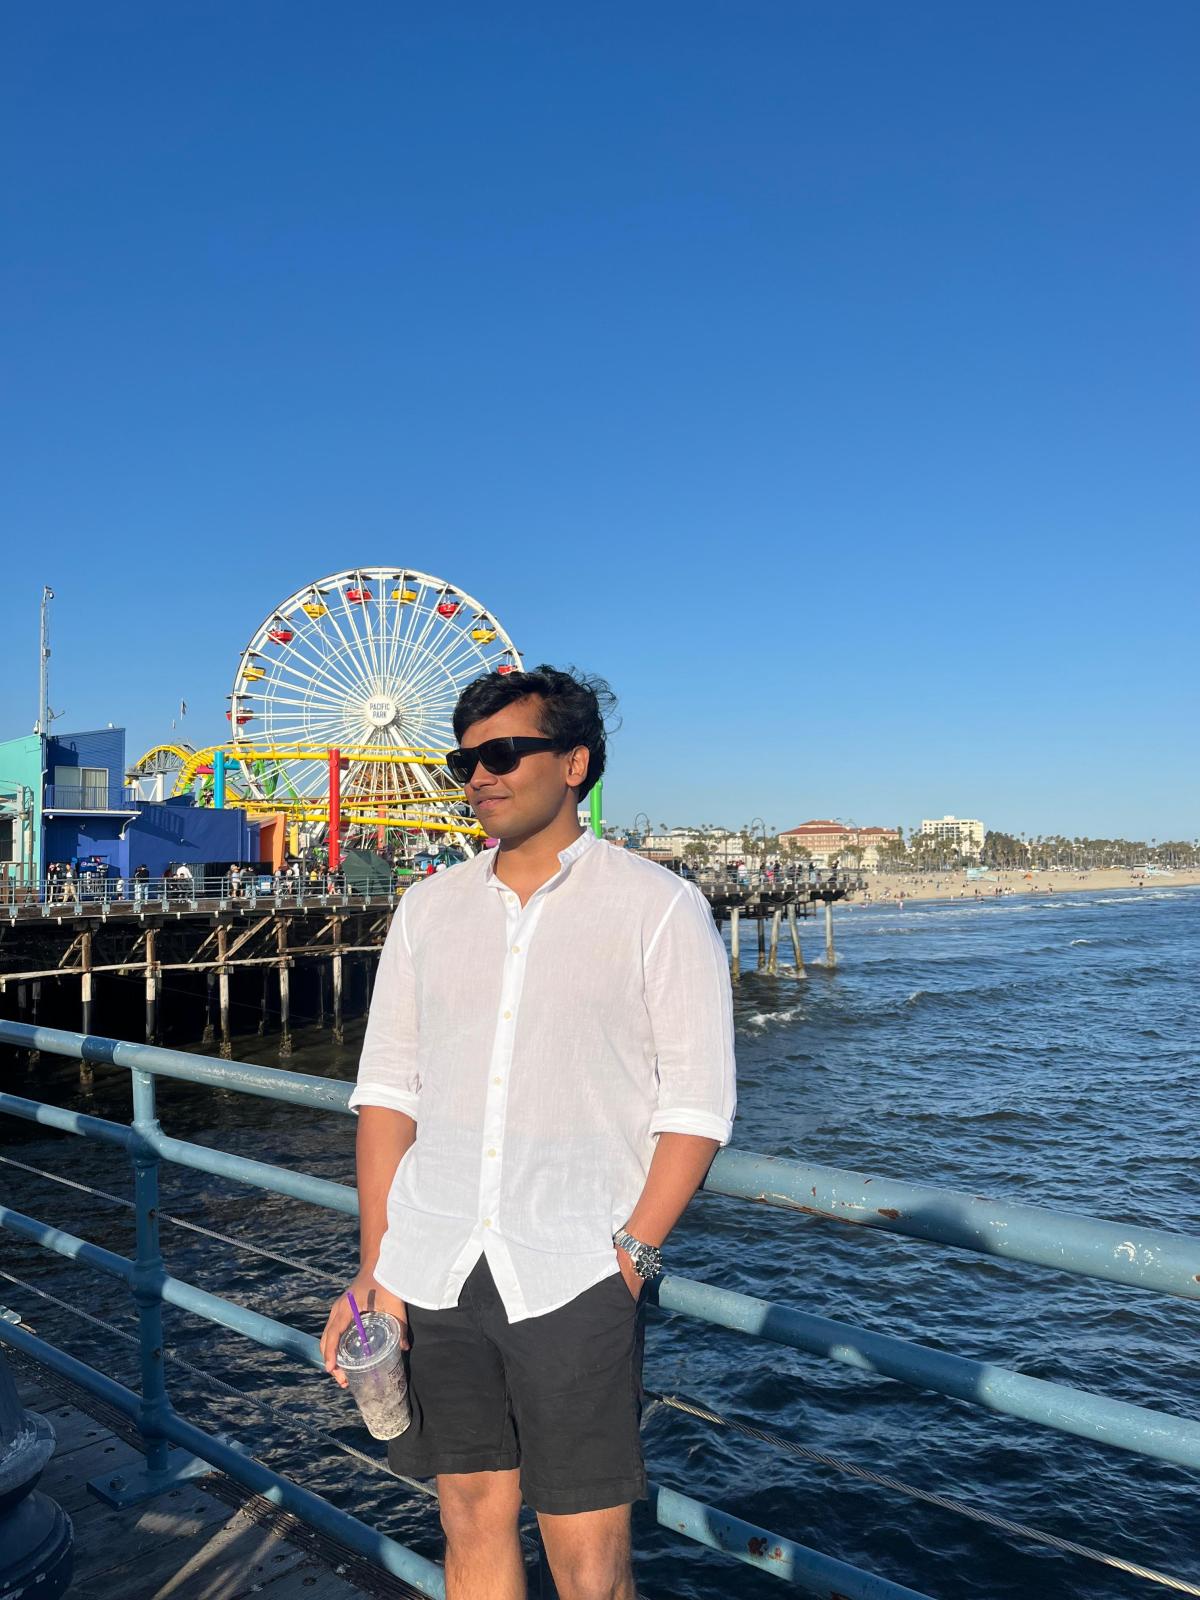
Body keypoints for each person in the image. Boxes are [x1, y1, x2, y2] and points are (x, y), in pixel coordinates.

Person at [321, 665, 736, 1600]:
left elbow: (697, 1108)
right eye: (464, 760)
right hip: (430, 1267)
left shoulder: (658, 908)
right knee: (467, 1519)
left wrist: (631, 1257)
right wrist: (374, 1268)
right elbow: (388, 1096)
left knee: (589, 1564)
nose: (480, 776)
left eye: (504, 753)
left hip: (574, 1271)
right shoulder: (428, 909)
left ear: (576, 762)